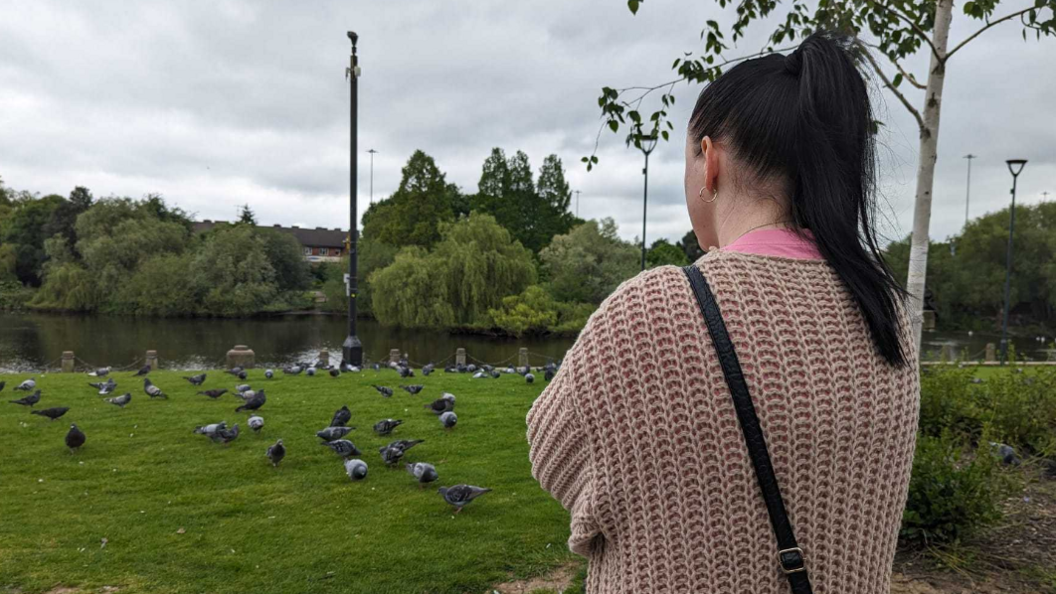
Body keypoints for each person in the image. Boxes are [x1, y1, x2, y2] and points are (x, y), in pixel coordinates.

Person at [526, 32, 919, 594]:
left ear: (710, 162)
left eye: (688, 157)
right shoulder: (884, 314)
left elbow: (554, 460)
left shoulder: (648, 315)